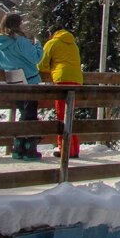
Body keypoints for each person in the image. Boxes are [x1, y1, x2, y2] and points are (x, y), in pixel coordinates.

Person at [0, 13, 44, 160]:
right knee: (30, 114)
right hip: (29, 80)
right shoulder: (19, 40)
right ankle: (29, 147)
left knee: (23, 112)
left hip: (13, 80)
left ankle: (19, 145)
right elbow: (36, 58)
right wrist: (37, 44)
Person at [37, 26, 83, 158]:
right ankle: (74, 149)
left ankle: (66, 150)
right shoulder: (73, 44)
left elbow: (42, 64)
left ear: (52, 33)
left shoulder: (52, 43)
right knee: (69, 115)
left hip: (62, 79)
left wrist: (50, 69)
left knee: (62, 115)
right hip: (76, 79)